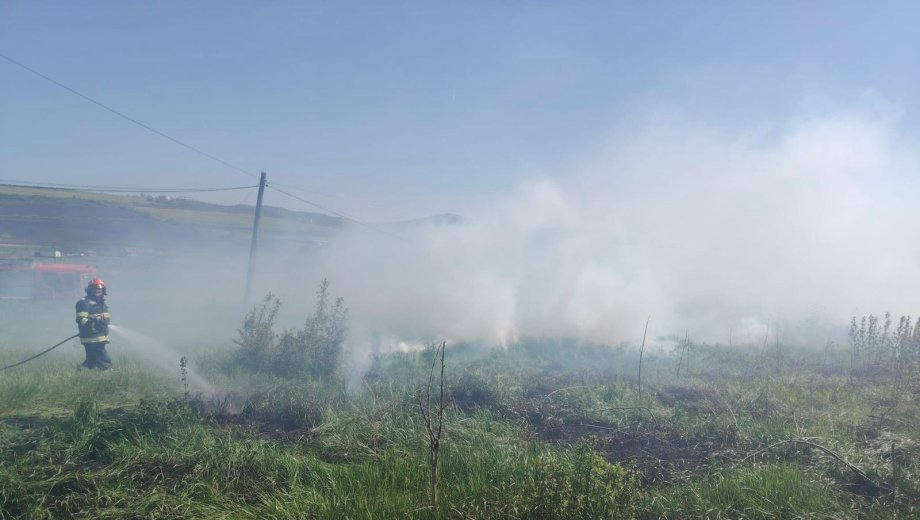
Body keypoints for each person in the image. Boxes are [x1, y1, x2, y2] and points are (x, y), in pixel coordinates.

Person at [75, 277, 112, 370]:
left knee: (92, 360)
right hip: (91, 337)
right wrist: (92, 322)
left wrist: (104, 322)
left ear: (103, 290)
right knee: (102, 357)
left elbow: (106, 319)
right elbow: (81, 320)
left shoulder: (102, 304)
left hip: (100, 336)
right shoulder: (83, 303)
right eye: (94, 289)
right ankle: (107, 370)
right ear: (89, 290)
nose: (97, 291)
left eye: (99, 289)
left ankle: (82, 370)